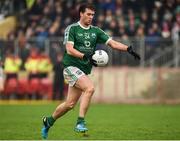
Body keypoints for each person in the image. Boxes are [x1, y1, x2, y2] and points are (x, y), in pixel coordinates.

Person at [41, 3, 140, 139]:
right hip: (70, 68)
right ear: (81, 14)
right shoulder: (72, 29)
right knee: (90, 88)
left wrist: (128, 49)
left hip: (83, 71)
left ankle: (48, 121)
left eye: (93, 15)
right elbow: (69, 49)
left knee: (70, 104)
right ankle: (80, 123)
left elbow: (112, 43)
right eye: (88, 14)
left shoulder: (96, 31)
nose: (91, 17)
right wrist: (84, 55)